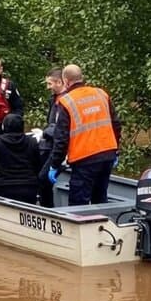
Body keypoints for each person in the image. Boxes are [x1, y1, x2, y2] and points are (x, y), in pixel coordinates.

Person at [47, 64, 121, 206]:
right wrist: (116, 150)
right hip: (107, 155)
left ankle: (81, 227)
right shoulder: (101, 94)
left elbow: (61, 139)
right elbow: (116, 124)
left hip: (85, 159)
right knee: (100, 198)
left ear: (66, 81)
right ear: (81, 78)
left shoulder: (67, 101)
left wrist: (55, 165)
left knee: (78, 203)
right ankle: (101, 226)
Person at [37, 68, 66, 207]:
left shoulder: (65, 102)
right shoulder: (54, 100)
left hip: (62, 147)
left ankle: (47, 211)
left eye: (50, 84)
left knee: (43, 178)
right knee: (40, 176)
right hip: (52, 145)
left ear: (59, 82)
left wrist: (43, 133)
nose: (48, 87)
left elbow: (60, 129)